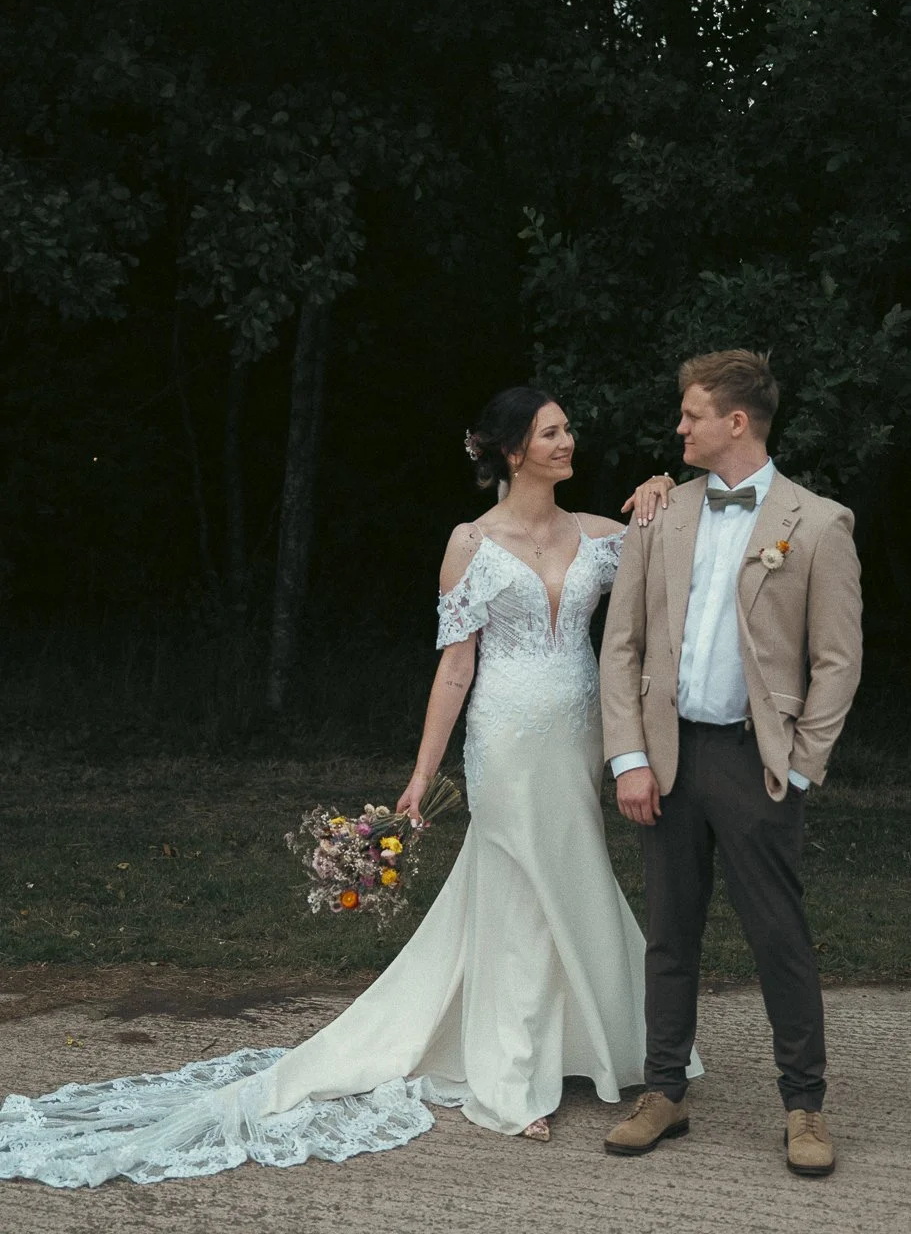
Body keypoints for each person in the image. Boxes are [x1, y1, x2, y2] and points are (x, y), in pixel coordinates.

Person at [0, 385, 698, 1188]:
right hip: (503, 738)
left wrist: (657, 487)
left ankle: (591, 1045)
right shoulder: (471, 543)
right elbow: (455, 668)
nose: (566, 442)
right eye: (550, 432)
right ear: (513, 451)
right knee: (517, 886)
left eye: (568, 429)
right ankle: (513, 1076)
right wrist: (422, 775)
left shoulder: (599, 535)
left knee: (569, 875)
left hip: (577, 736)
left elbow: (684, 517)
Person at [599, 350, 862, 1177]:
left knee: (778, 936)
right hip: (669, 758)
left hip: (757, 766)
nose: (678, 427)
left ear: (734, 422)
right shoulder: (657, 514)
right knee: (669, 934)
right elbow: (623, 645)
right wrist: (629, 758)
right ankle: (663, 1090)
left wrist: (803, 766)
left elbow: (836, 661)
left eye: (690, 414)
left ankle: (804, 1107)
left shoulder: (816, 524)